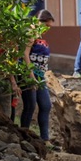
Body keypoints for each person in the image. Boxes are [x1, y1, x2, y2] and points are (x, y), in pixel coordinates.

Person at [20, 10, 54, 142]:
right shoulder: (31, 34)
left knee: (46, 105)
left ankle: (45, 139)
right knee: (30, 105)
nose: (48, 30)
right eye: (47, 26)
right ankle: (24, 135)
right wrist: (30, 76)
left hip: (40, 76)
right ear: (42, 22)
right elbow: (25, 54)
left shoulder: (41, 37)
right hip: (29, 75)